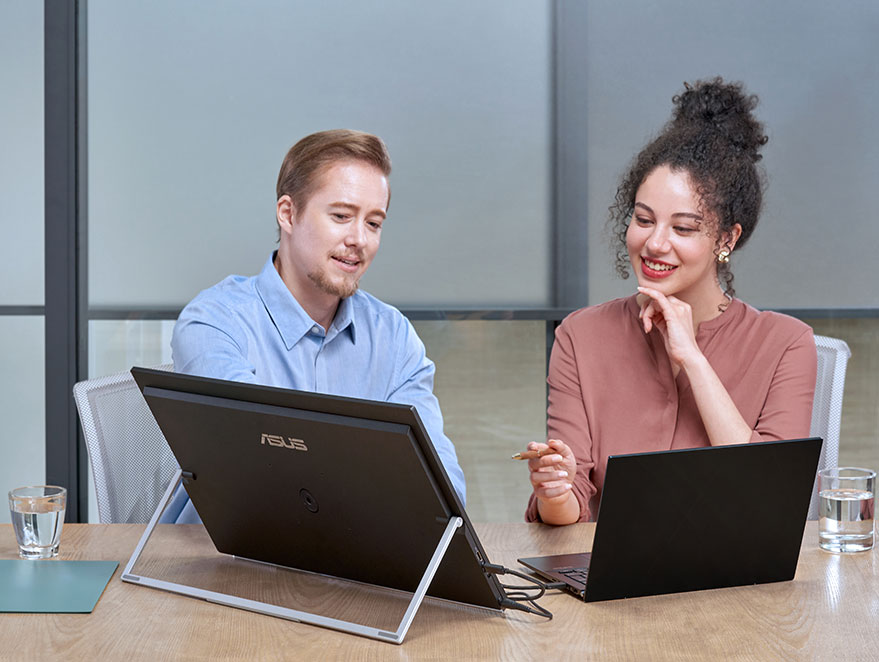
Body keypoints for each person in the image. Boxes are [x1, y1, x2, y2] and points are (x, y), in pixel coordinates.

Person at [522, 78, 817, 525]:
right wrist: (555, 489)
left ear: (726, 238)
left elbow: (773, 498)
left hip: (737, 583)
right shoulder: (580, 337)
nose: (655, 243)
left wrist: (693, 359)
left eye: (683, 228)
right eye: (643, 220)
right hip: (611, 585)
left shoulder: (788, 344)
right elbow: (572, 508)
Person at [161, 129, 465, 523]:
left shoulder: (393, 337)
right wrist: (375, 473)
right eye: (341, 216)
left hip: (351, 565)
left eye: (374, 223)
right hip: (222, 565)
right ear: (288, 214)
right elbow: (259, 469)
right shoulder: (215, 322)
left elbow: (443, 492)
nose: (359, 240)